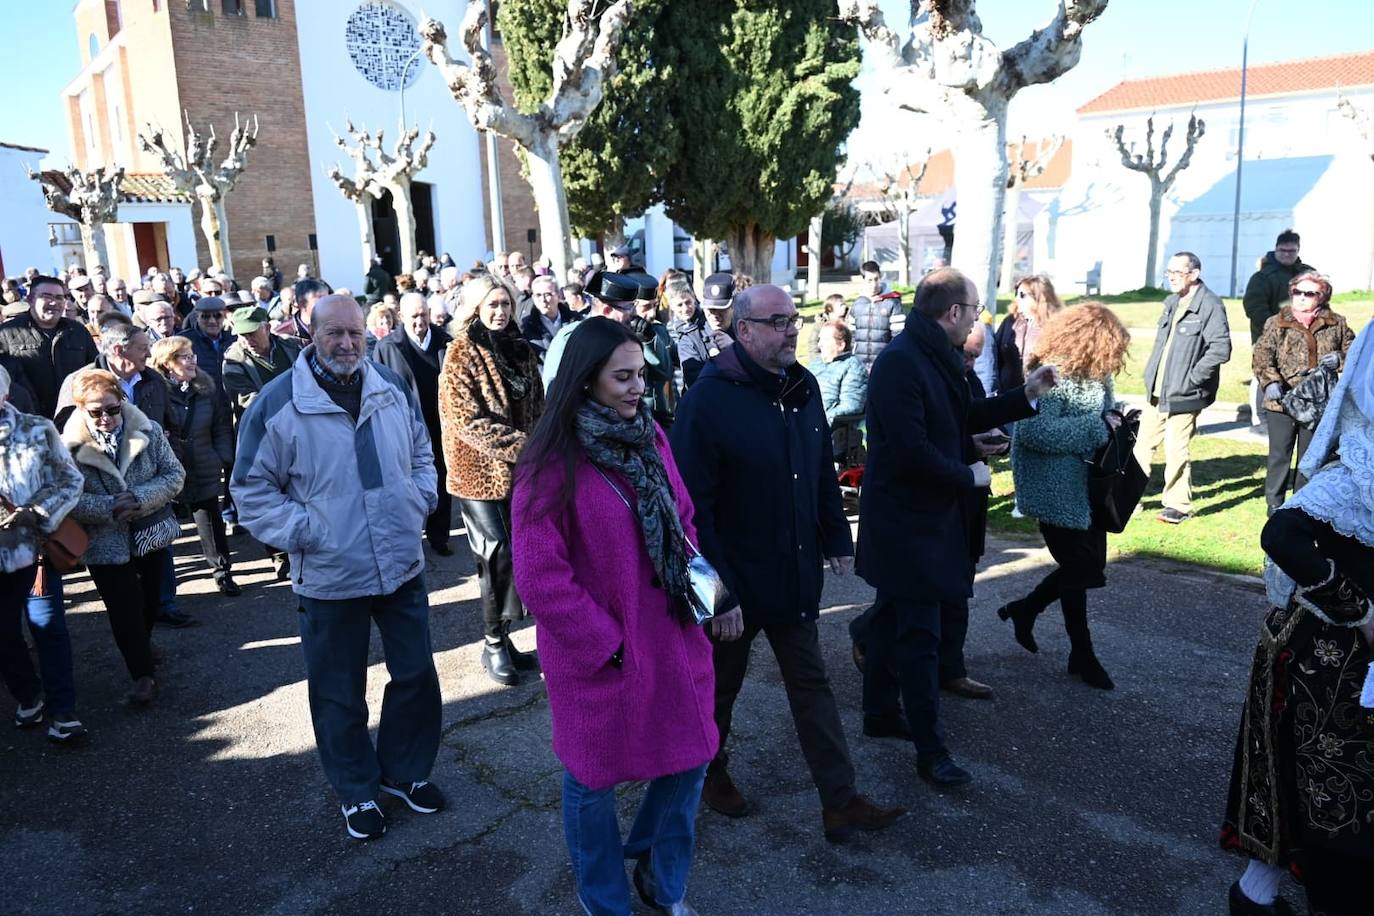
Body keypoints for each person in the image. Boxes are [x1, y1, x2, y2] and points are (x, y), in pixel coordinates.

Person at [670, 284, 904, 843]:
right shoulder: (708, 399)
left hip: (792, 572)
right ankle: (708, 772)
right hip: (736, 583)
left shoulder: (801, 387)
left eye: (794, 319)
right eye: (777, 322)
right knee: (719, 691)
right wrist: (718, 593)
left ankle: (840, 800)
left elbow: (820, 467)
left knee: (812, 686)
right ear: (743, 329)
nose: (791, 329)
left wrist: (836, 536)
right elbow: (688, 507)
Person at [511, 317, 718, 916]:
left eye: (641, 375)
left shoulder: (651, 437)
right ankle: (604, 901)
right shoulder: (549, 461)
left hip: (675, 635)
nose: (637, 389)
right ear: (584, 382)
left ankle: (662, 880)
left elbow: (684, 520)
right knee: (593, 780)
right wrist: (606, 644)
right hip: (603, 653)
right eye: (622, 377)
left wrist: (707, 593)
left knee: (692, 757)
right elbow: (540, 576)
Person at [232, 294, 444, 842]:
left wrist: (418, 498)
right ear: (310, 333)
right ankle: (356, 789)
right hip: (331, 573)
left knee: (417, 674)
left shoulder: (392, 387)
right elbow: (251, 491)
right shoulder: (278, 403)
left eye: (356, 333)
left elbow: (423, 452)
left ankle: (404, 772)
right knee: (337, 690)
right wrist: (308, 533)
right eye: (335, 335)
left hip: (400, 562)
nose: (347, 344)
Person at [855, 268, 1055, 787]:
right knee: (919, 636)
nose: (976, 320)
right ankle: (931, 750)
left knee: (887, 621)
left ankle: (879, 715)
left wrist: (1025, 395)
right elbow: (908, 449)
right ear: (952, 313)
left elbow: (960, 413)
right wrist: (966, 473)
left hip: (922, 520)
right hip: (908, 524)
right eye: (973, 311)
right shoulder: (902, 362)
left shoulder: (930, 354)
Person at [1220, 317, 1374, 916]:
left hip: (1337, 673)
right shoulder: (1355, 477)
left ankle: (1255, 899)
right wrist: (1358, 611)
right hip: (1322, 669)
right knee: (1329, 815)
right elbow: (1279, 532)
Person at [998, 303, 1132, 690]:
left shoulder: (1098, 374)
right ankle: (1076, 648)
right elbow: (1035, 433)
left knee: (1086, 571)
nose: (1114, 356)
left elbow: (1102, 418)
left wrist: (1117, 419)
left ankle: (1038, 620)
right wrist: (1096, 426)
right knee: (1082, 569)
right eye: (1109, 346)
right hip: (1054, 487)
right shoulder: (1054, 373)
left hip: (1088, 485)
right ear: (1091, 341)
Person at [437, 276, 544, 686]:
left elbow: (538, 404)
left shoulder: (520, 348)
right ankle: (493, 642)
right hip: (478, 473)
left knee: (518, 553)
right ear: (475, 308)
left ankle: (507, 637)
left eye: (505, 304)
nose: (500, 312)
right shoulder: (461, 353)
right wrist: (527, 445)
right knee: (495, 553)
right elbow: (467, 421)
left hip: (522, 472)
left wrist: (544, 444)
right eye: (492, 305)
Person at [62, 368, 185, 707]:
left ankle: (142, 646)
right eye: (96, 411)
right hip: (104, 542)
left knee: (149, 602)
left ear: (123, 401)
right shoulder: (66, 448)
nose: (106, 417)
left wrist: (141, 498)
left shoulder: (148, 429)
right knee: (123, 610)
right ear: (80, 408)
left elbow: (175, 475)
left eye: (112, 409)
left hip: (149, 532)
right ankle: (142, 675)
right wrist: (108, 507)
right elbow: (67, 497)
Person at [0, 363, 86, 743]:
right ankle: (28, 693)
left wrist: (36, 512)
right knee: (3, 634)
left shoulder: (37, 429)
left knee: (49, 629)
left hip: (34, 551)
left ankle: (63, 710)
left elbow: (71, 479)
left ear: (4, 393)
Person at [1133, 252, 1232, 525]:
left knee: (1176, 449)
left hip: (1186, 394)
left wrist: (1193, 379)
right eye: (1169, 272)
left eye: (1178, 272)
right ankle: (1128, 498)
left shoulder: (1209, 304)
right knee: (1141, 447)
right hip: (1157, 391)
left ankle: (1177, 505)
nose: (1172, 277)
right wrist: (1149, 376)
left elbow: (1221, 348)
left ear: (1194, 273)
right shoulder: (1171, 302)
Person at [1252, 271, 1354, 513]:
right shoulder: (1276, 322)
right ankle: (1274, 503)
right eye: (1297, 292)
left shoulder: (1337, 323)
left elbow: (1356, 354)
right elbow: (1262, 355)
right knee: (1279, 455)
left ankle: (1302, 503)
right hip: (1283, 401)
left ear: (1322, 296)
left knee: (1310, 457)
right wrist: (1270, 383)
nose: (1301, 298)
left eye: (1309, 293)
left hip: (1318, 404)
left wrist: (1339, 358)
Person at [150, 337, 239, 596]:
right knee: (162, 527)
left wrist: (221, 457)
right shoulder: (155, 392)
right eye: (184, 357)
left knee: (211, 522)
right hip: (169, 469)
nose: (191, 361)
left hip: (203, 463)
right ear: (167, 363)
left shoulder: (207, 388)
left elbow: (221, 425)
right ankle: (165, 592)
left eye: (192, 356)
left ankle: (223, 573)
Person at [375, 293, 454, 556]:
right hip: (404, 426)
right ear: (401, 317)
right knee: (405, 481)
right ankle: (409, 534)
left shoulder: (445, 342)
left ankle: (439, 535)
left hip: (441, 423)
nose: (420, 321)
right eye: (414, 316)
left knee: (441, 478)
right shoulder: (387, 347)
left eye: (424, 314)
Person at [0, 276, 99, 420]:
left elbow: (95, 369)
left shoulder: (78, 331)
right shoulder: (6, 333)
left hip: (76, 419)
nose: (54, 302)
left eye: (59, 297)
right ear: (30, 300)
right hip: (28, 423)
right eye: (46, 296)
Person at [993, 274, 1064, 396]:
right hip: (1007, 394)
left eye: (1022, 295)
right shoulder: (1010, 321)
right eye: (1016, 293)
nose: (1016, 298)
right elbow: (995, 356)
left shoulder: (1056, 325)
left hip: (1041, 396)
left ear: (1039, 297)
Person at [1243, 229, 1315, 345]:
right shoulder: (1262, 277)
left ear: (1298, 251)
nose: (1286, 254)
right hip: (1270, 340)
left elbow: (1321, 304)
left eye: (1291, 251)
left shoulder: (1309, 274)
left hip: (1306, 339)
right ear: (1276, 249)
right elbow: (1255, 310)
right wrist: (1280, 330)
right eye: (1282, 250)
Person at [850, 261, 906, 374]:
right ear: (863, 280)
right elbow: (851, 336)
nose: (874, 284)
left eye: (876, 279)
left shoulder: (893, 303)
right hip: (859, 366)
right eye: (869, 280)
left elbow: (900, 337)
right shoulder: (857, 304)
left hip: (885, 364)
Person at [812, 321, 867, 427]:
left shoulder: (853, 367)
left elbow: (851, 406)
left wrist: (819, 421)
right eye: (820, 339)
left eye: (825, 340)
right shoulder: (815, 364)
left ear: (841, 345)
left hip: (830, 432)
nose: (820, 344)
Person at [176, 296, 237, 387]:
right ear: (197, 317)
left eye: (217, 316)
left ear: (224, 316)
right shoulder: (184, 342)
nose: (212, 321)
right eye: (205, 317)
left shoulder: (234, 340)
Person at [664, 278, 712, 391]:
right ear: (671, 306)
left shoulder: (708, 321)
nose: (685, 309)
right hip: (681, 386)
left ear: (694, 299)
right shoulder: (669, 329)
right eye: (680, 305)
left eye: (688, 302)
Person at [518, 275, 577, 365]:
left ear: (559, 295)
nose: (543, 300)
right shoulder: (527, 329)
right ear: (533, 298)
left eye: (548, 294)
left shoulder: (575, 321)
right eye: (538, 295)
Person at [274, 278, 331, 346]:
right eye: (320, 300)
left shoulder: (335, 327)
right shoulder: (282, 335)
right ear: (302, 304)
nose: (326, 304)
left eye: (327, 300)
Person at [807, 294, 850, 362]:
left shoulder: (846, 324)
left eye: (844, 304)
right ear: (830, 308)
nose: (845, 307)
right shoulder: (819, 326)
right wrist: (819, 363)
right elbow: (813, 348)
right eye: (841, 305)